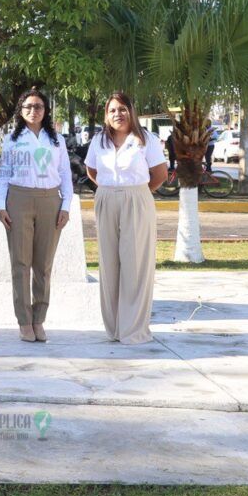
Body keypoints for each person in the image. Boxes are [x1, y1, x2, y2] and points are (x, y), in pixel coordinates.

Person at [85, 92, 167, 345]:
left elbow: (160, 174)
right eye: (112, 110)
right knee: (109, 264)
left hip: (137, 199)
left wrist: (135, 193)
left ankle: (133, 330)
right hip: (106, 198)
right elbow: (91, 170)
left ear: (131, 111)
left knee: (135, 264)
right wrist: (111, 191)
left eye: (122, 109)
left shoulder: (146, 140)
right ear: (106, 115)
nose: (117, 114)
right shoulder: (99, 141)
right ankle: (114, 328)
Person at [0, 88, 73, 343]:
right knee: (21, 263)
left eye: (38, 106)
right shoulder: (13, 139)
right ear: (21, 110)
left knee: (44, 265)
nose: (33, 110)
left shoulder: (56, 140)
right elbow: (4, 173)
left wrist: (66, 206)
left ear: (45, 110)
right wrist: (0, 205)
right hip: (19, 199)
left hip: (51, 200)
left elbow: (65, 175)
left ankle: (39, 318)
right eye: (28, 106)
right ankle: (24, 321)